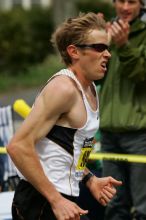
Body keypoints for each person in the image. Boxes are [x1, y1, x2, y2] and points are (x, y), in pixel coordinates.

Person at [7, 12, 122, 220]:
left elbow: (74, 147)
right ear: (74, 52)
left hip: (62, 196)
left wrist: (89, 179)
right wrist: (55, 200)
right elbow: (17, 146)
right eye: (99, 47)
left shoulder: (91, 88)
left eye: (107, 47)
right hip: (40, 200)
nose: (107, 54)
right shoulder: (63, 88)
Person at [99, 0, 146, 219]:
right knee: (114, 205)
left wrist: (124, 46)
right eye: (120, 1)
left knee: (142, 206)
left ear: (141, 5)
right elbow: (95, 76)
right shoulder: (107, 32)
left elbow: (142, 76)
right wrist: (97, 43)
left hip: (139, 134)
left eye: (132, 1)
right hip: (108, 131)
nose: (125, 7)